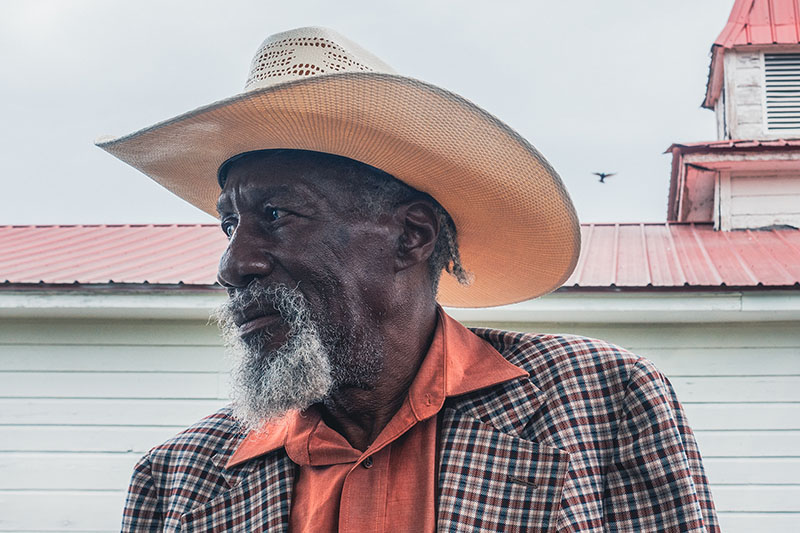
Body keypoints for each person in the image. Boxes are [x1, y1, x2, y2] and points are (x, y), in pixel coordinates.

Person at [99, 27, 719, 532]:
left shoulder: (601, 405)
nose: (235, 265)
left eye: (275, 215)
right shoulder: (178, 480)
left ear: (412, 236)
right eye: (229, 224)